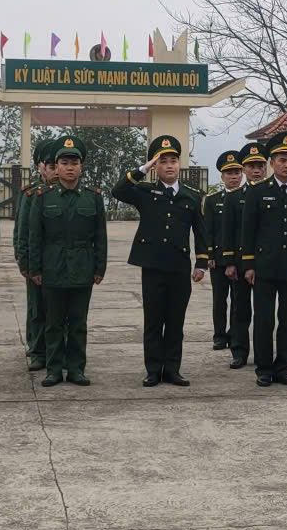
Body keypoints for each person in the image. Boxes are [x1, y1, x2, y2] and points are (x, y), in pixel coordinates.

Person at [111, 135, 208, 387]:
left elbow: (201, 231)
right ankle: (153, 369)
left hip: (178, 266)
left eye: (173, 160)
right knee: (153, 320)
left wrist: (201, 263)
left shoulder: (192, 195)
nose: (169, 165)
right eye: (163, 161)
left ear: (179, 164)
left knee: (176, 321)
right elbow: (118, 190)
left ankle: (172, 369)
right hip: (153, 266)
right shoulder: (145, 191)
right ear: (155, 166)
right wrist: (143, 168)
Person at [29, 137, 107, 387]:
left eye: (74, 162)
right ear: (57, 166)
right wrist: (35, 269)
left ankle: (76, 369)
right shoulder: (42, 197)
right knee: (52, 322)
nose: (69, 167)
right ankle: (53, 370)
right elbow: (34, 237)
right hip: (52, 269)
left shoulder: (93, 197)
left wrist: (99, 268)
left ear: (81, 167)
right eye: (64, 162)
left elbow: (100, 237)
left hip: (83, 269)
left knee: (77, 323)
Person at [240, 132, 287, 388]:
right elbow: (247, 231)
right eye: (282, 160)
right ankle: (264, 369)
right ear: (272, 162)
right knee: (264, 320)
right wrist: (248, 265)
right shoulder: (259, 192)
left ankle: (284, 367)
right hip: (264, 268)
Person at [221, 142, 268, 369]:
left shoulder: (273, 195)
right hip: (239, 264)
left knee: (263, 312)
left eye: (260, 165)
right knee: (240, 309)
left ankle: (262, 354)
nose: (256, 170)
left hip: (266, 264)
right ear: (244, 169)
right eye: (251, 166)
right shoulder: (234, 197)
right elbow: (227, 233)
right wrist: (229, 262)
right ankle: (239, 352)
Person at [14, 139, 58, 372]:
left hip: (61, 262)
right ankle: (38, 351)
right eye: (49, 165)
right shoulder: (31, 193)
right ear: (40, 166)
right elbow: (21, 231)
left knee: (61, 310)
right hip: (37, 262)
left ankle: (58, 350)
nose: (54, 170)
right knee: (37, 308)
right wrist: (24, 261)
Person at [203, 150, 245, 351]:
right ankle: (219, 335)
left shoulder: (248, 198)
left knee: (238, 299)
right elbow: (208, 229)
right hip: (218, 259)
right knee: (219, 299)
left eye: (237, 172)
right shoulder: (212, 200)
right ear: (222, 176)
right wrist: (209, 254)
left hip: (239, 258)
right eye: (229, 173)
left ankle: (234, 333)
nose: (234, 176)